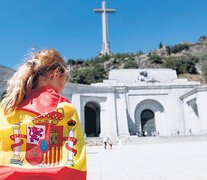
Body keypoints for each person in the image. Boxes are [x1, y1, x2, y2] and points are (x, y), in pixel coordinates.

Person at [0, 48, 86, 180]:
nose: (63, 88)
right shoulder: (64, 109)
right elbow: (75, 163)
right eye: (65, 79)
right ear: (56, 73)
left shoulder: (6, 108)